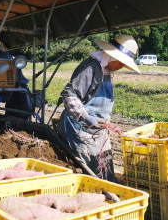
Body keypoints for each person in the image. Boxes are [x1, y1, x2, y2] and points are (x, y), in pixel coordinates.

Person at [57, 35, 141, 182]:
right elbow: (69, 95)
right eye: (121, 63)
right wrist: (85, 117)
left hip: (98, 129)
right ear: (111, 56)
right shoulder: (91, 67)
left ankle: (111, 192)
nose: (121, 67)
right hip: (80, 128)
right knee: (91, 171)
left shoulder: (107, 71)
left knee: (106, 168)